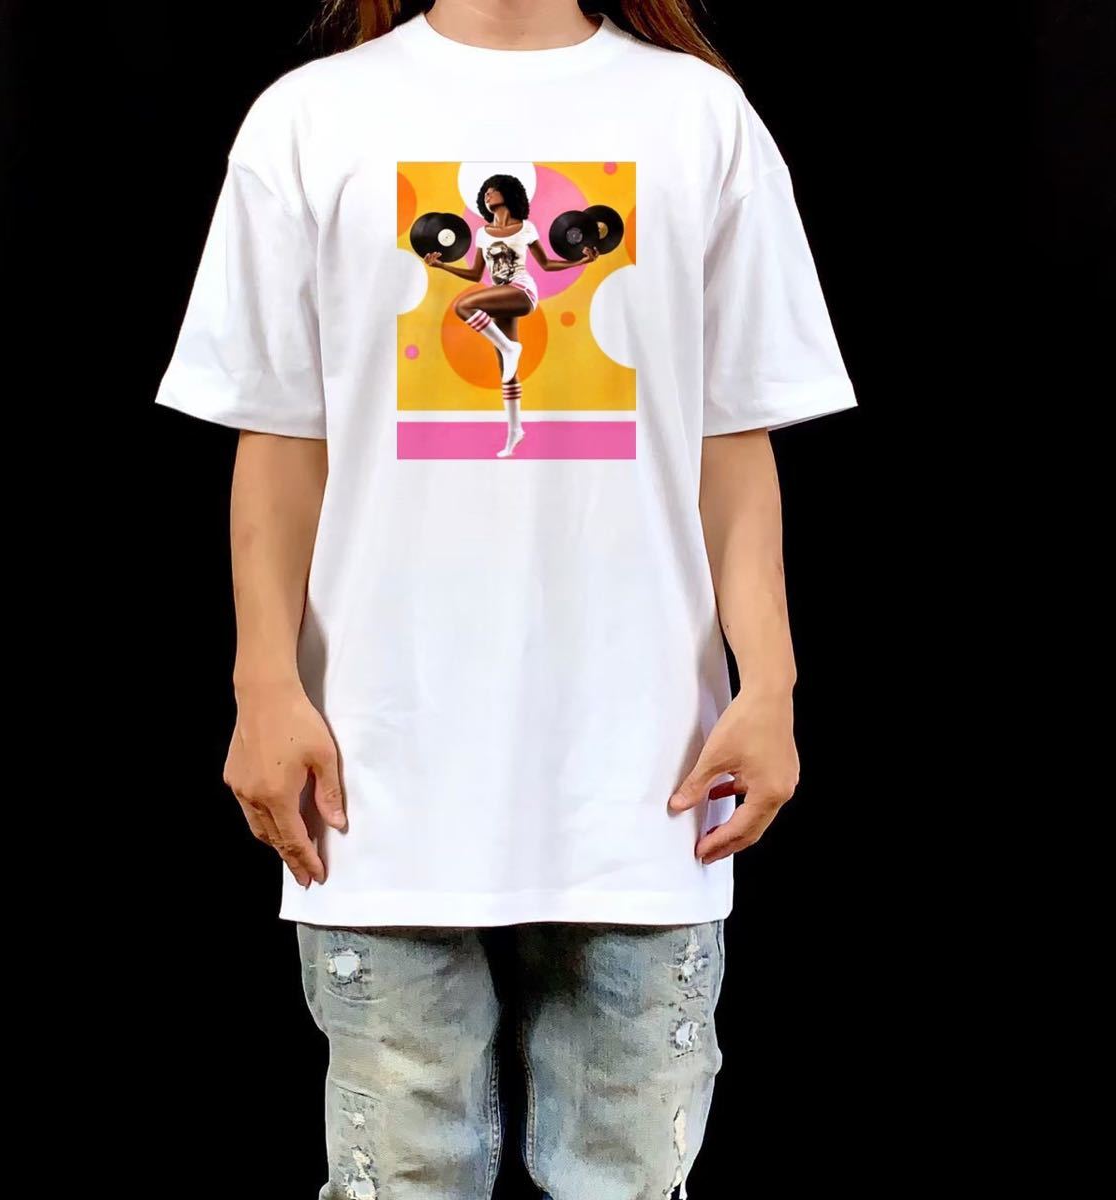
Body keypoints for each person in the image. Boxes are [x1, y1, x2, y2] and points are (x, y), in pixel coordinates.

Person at [154, 1, 859, 1196]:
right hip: (382, 775)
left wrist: (773, 682)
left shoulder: (700, 119)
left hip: (646, 777)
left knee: (627, 1181)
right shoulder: (311, 121)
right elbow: (279, 437)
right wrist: (262, 687)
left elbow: (732, 438)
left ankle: (513, 389)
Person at [425, 172, 599, 456]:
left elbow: (546, 264)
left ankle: (509, 347)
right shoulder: (483, 234)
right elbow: (475, 274)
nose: (487, 195)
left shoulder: (525, 228)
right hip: (501, 296)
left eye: (492, 190)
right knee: (506, 371)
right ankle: (515, 431)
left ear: (508, 193)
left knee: (463, 306)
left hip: (522, 291)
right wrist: (442, 266)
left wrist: (580, 261)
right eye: (485, 193)